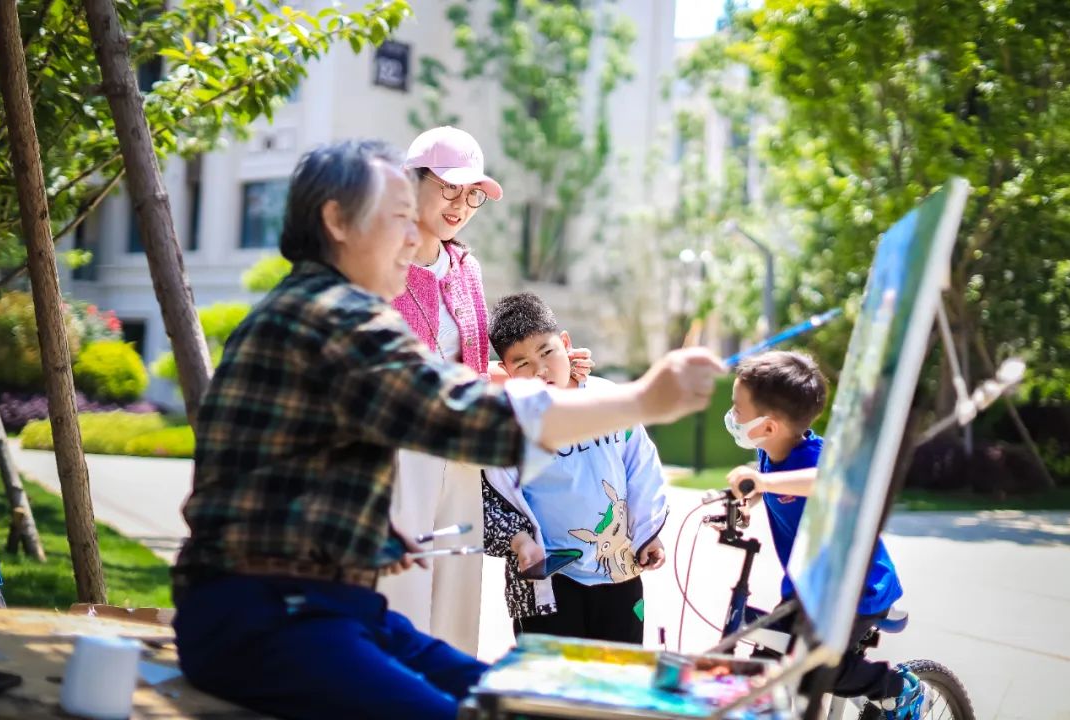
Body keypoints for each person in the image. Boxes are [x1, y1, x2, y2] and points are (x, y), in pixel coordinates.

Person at [171, 138, 725, 720]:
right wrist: (641, 400)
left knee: (513, 691)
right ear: (336, 220)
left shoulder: (317, 309)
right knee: (489, 709)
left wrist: (365, 535)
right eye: (400, 219)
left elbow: (280, 474)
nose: (414, 239)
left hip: (319, 604)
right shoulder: (335, 319)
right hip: (266, 618)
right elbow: (465, 414)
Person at [382, 126, 593, 655]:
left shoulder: (465, 269)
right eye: (450, 189)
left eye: (473, 194)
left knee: (456, 601)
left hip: (462, 451)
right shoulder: (380, 260)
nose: (462, 205)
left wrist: (550, 372)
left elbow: (470, 370)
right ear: (413, 181)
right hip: (400, 454)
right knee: (401, 595)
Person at [720, 351, 926, 720]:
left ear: (768, 427)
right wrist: (753, 495)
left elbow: (828, 481)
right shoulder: (773, 451)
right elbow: (778, 486)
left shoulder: (818, 458)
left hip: (857, 590)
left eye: (738, 409)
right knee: (766, 664)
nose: (732, 416)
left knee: (810, 671)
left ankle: (896, 686)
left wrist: (764, 482)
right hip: (808, 587)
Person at [481, 293, 668, 644]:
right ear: (505, 372)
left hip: (618, 573)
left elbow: (641, 467)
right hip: (546, 584)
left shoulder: (605, 399)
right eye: (521, 363)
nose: (538, 370)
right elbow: (491, 497)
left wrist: (647, 532)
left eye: (547, 352)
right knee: (550, 690)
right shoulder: (508, 425)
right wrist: (519, 541)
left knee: (618, 678)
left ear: (566, 344)